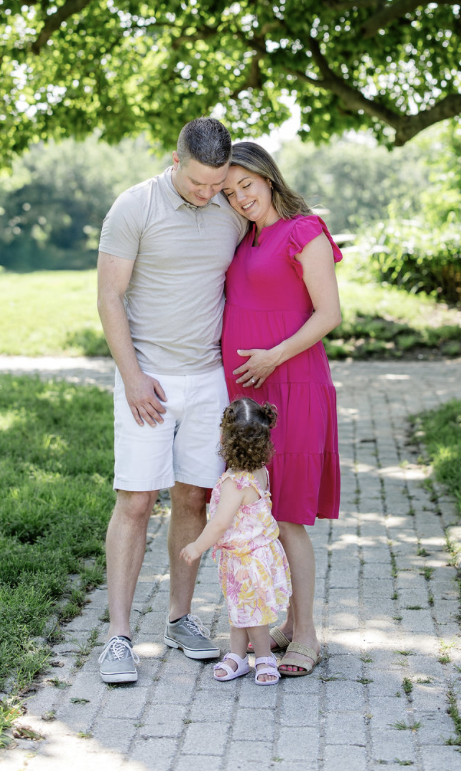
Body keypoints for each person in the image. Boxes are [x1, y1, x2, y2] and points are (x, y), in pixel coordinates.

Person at [96, 118, 246, 683]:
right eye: (198, 183)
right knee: (135, 502)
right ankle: (117, 636)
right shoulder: (134, 207)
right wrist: (132, 377)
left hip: (208, 379)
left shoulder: (228, 209)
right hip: (148, 377)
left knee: (193, 499)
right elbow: (109, 296)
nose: (208, 194)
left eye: (217, 183)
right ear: (174, 160)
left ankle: (180, 620)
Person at [221, 141, 343, 677]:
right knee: (258, 510)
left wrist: (272, 357)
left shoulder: (304, 230)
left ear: (268, 177)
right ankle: (282, 624)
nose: (241, 197)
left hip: (293, 384)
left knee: (289, 514)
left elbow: (329, 314)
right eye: (229, 192)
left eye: (246, 184)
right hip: (250, 396)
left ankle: (307, 635)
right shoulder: (246, 238)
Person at [180, 397, 291, 686]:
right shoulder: (260, 473)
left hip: (246, 559)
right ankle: (238, 655)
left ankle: (264, 656)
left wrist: (196, 547)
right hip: (257, 554)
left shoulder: (234, 483)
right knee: (240, 608)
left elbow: (218, 524)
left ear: (224, 438)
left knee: (252, 612)